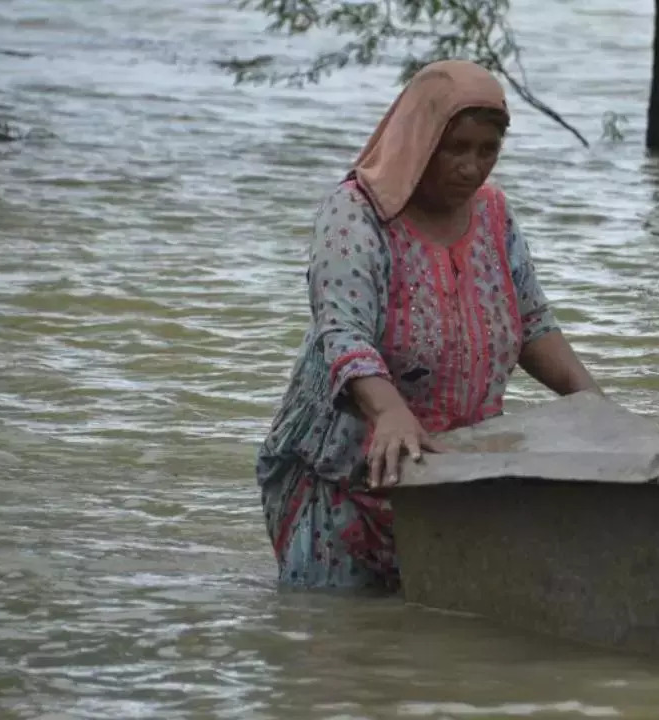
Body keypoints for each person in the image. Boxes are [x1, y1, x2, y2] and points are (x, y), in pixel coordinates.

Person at [255, 60, 602, 591]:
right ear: (421, 138)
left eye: (488, 150)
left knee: (434, 634)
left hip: (449, 478)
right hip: (341, 477)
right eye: (455, 148)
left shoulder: (493, 214)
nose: (472, 167)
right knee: (335, 642)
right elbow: (343, 333)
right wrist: (390, 412)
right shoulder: (356, 213)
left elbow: (531, 320)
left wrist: (594, 405)